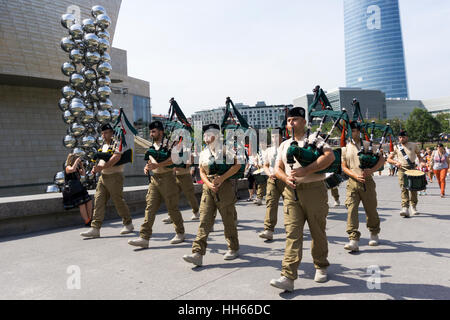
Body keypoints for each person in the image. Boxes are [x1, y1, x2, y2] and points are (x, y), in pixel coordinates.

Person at [270, 107, 334, 292]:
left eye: (295, 119)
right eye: (289, 120)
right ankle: (288, 276)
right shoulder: (284, 145)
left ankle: (321, 265)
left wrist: (306, 170)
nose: (291, 123)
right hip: (291, 192)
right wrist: (285, 178)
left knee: (317, 231)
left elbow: (329, 157)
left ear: (304, 122)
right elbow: (277, 168)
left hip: (314, 190)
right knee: (292, 234)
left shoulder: (315, 140)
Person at [182, 124, 241, 266]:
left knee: (228, 220)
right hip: (208, 188)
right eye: (204, 135)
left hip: (224, 187)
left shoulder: (226, 150)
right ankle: (197, 253)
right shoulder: (204, 152)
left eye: (208, 134)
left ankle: (233, 248)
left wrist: (222, 178)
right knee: (204, 220)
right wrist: (208, 184)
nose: (205, 137)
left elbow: (237, 165)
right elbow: (201, 170)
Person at [128, 121, 186, 248]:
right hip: (155, 179)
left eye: (153, 131)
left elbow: (174, 160)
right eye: (150, 131)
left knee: (172, 208)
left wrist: (157, 165)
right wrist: (146, 167)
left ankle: (180, 232)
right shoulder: (152, 146)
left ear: (161, 131)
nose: (151, 134)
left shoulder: (170, 144)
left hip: (167, 178)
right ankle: (144, 238)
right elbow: (150, 161)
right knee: (150, 208)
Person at [80, 123, 134, 238]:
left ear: (111, 133)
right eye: (102, 133)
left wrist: (102, 167)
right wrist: (97, 168)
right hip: (103, 177)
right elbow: (102, 160)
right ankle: (95, 228)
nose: (103, 135)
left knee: (118, 201)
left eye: (106, 133)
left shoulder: (118, 143)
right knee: (98, 202)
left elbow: (116, 157)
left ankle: (128, 223)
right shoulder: (104, 145)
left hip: (115, 176)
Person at [341, 121, 384, 252]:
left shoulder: (367, 145)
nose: (350, 133)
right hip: (352, 184)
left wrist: (371, 170)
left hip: (367, 182)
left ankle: (374, 232)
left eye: (353, 130)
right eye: (349, 130)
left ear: (358, 131)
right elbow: (343, 166)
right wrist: (353, 175)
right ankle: (353, 239)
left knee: (370, 210)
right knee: (351, 210)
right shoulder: (345, 148)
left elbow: (382, 159)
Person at [387, 130, 426, 217]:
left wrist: (422, 162)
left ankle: (413, 206)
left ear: (406, 137)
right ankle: (405, 207)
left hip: (412, 168)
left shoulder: (413, 145)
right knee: (403, 188)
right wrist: (395, 163)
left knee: (413, 188)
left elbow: (420, 156)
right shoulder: (396, 147)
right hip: (402, 169)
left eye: (403, 137)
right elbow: (389, 159)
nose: (401, 139)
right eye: (400, 137)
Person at [258, 128, 285, 241]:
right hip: (272, 180)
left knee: (290, 205)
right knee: (271, 203)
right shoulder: (268, 151)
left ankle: (293, 228)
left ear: (281, 136)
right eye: (272, 137)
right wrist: (269, 174)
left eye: (276, 136)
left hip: (285, 180)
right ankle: (268, 230)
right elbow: (265, 165)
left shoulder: (286, 147)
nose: (274, 139)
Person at [63, 153, 93, 226]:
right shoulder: (68, 167)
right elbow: (72, 169)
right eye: (76, 159)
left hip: (79, 187)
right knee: (81, 204)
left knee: (89, 201)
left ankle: (90, 218)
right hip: (73, 188)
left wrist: (81, 165)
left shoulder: (77, 167)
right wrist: (76, 161)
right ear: (73, 160)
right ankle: (87, 221)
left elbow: (83, 174)